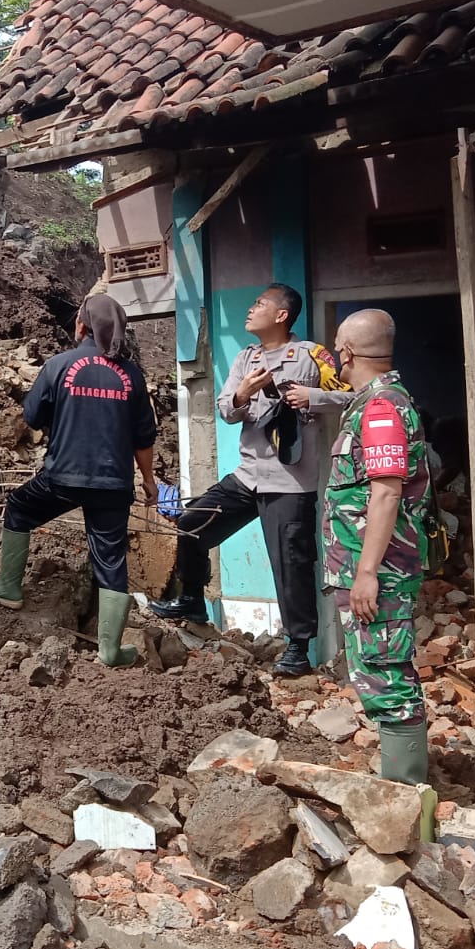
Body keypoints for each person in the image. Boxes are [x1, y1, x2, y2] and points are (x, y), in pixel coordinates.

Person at [148, 282, 352, 676]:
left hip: (290, 483)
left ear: (281, 315)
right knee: (191, 525)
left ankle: (298, 649)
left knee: (290, 564)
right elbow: (226, 410)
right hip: (247, 476)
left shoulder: (312, 356)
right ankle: (192, 597)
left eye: (259, 304)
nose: (250, 309)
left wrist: (314, 398)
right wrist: (242, 393)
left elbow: (350, 394)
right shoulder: (247, 358)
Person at [0, 294, 158, 667]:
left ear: (82, 325)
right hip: (113, 483)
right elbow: (143, 437)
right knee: (110, 558)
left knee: (20, 508)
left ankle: (8, 587)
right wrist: (149, 480)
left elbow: (31, 414)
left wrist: (63, 419)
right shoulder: (131, 374)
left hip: (64, 476)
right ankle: (109, 650)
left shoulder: (59, 365)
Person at [319, 309, 436, 787]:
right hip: (368, 568)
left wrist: (366, 572)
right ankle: (401, 792)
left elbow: (386, 492)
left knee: (387, 677)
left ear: (346, 352)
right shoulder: (369, 403)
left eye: (335, 349)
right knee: (375, 670)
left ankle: (408, 800)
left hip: (379, 571)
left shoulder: (381, 408)